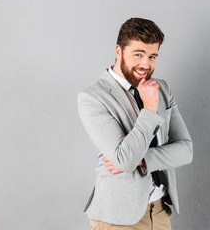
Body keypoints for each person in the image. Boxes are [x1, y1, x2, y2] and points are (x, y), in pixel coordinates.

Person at [78, 17, 193, 230]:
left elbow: (186, 150)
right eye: (138, 54)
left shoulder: (162, 88)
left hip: (159, 211)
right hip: (118, 217)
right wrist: (149, 108)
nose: (145, 64)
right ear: (119, 51)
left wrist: (145, 160)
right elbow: (125, 160)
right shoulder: (93, 98)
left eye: (152, 56)